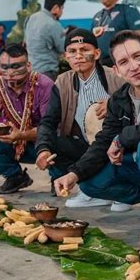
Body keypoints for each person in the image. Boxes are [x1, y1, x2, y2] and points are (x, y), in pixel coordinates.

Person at [54, 31, 140, 243]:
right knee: (90, 183)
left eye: (138, 56)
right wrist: (74, 174)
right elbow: (103, 140)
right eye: (124, 62)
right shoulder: (120, 99)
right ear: (117, 71)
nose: (134, 66)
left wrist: (121, 139)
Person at [35, 28, 129, 211]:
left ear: (97, 53)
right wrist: (42, 150)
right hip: (88, 148)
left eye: (84, 50)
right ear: (65, 56)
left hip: (118, 147)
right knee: (53, 143)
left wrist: (114, 102)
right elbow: (48, 121)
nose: (78, 56)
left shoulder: (117, 77)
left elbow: (137, 105)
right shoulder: (62, 82)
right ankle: (92, 191)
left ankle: (123, 191)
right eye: (72, 51)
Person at [0, 43, 54, 194]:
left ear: (29, 65)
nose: (10, 72)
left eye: (16, 66)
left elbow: (50, 127)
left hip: (44, 143)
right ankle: (15, 176)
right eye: (5, 67)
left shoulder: (44, 85)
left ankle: (57, 176)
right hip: (14, 141)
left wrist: (22, 135)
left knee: (60, 138)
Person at [91, 0, 140, 67]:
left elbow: (139, 35)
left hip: (123, 66)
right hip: (101, 67)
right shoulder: (97, 16)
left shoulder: (128, 9)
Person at [25, 0, 66, 81]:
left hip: (31, 71)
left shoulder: (31, 18)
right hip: (47, 73)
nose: (62, 12)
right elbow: (64, 48)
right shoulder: (53, 24)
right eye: (62, 8)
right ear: (56, 8)